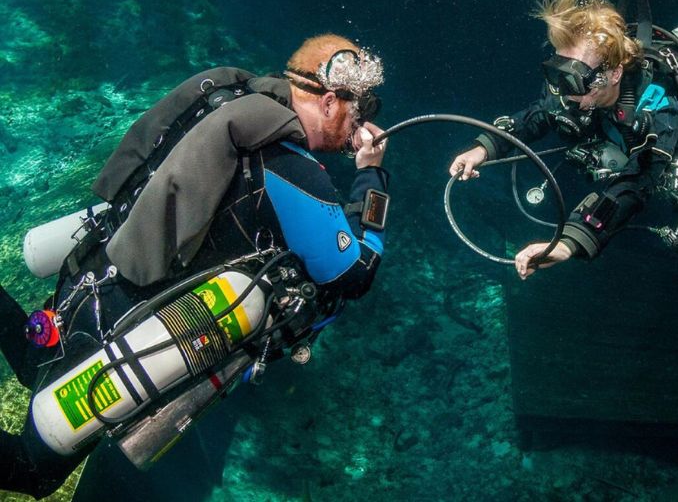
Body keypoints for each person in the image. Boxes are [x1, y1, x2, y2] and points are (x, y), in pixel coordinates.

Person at [0, 33, 390, 498]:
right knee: (34, 471)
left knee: (31, 361)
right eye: (358, 111)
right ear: (328, 102)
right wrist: (372, 176)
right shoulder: (289, 166)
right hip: (123, 333)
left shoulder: (229, 99)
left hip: (85, 287)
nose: (359, 125)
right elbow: (353, 274)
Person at [450, 0, 678, 279]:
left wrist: (570, 242)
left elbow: (636, 182)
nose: (564, 92)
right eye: (557, 73)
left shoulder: (657, 110)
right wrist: (483, 149)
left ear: (614, 73)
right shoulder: (572, 93)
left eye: (575, 79)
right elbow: (538, 114)